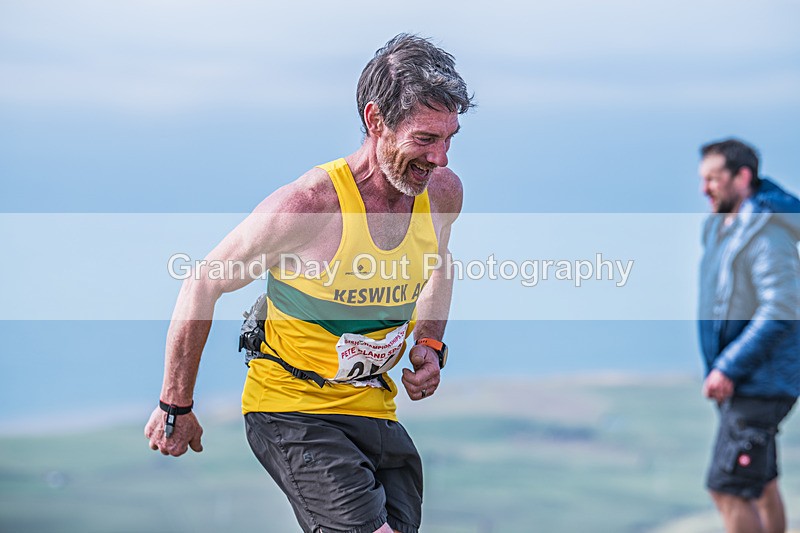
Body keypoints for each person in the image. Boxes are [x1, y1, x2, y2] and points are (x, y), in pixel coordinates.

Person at [144, 34, 473, 533]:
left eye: (450, 138)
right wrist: (175, 405)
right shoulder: (310, 206)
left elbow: (438, 264)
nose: (441, 158)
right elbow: (202, 283)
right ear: (375, 120)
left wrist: (429, 341)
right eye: (426, 139)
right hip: (292, 409)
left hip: (373, 405)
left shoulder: (442, 193)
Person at [698, 138, 800, 533]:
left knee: (728, 489)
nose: (705, 188)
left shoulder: (765, 235)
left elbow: (783, 309)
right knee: (760, 484)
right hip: (753, 380)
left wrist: (728, 367)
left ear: (742, 176)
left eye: (714, 178)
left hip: (758, 382)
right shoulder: (728, 228)